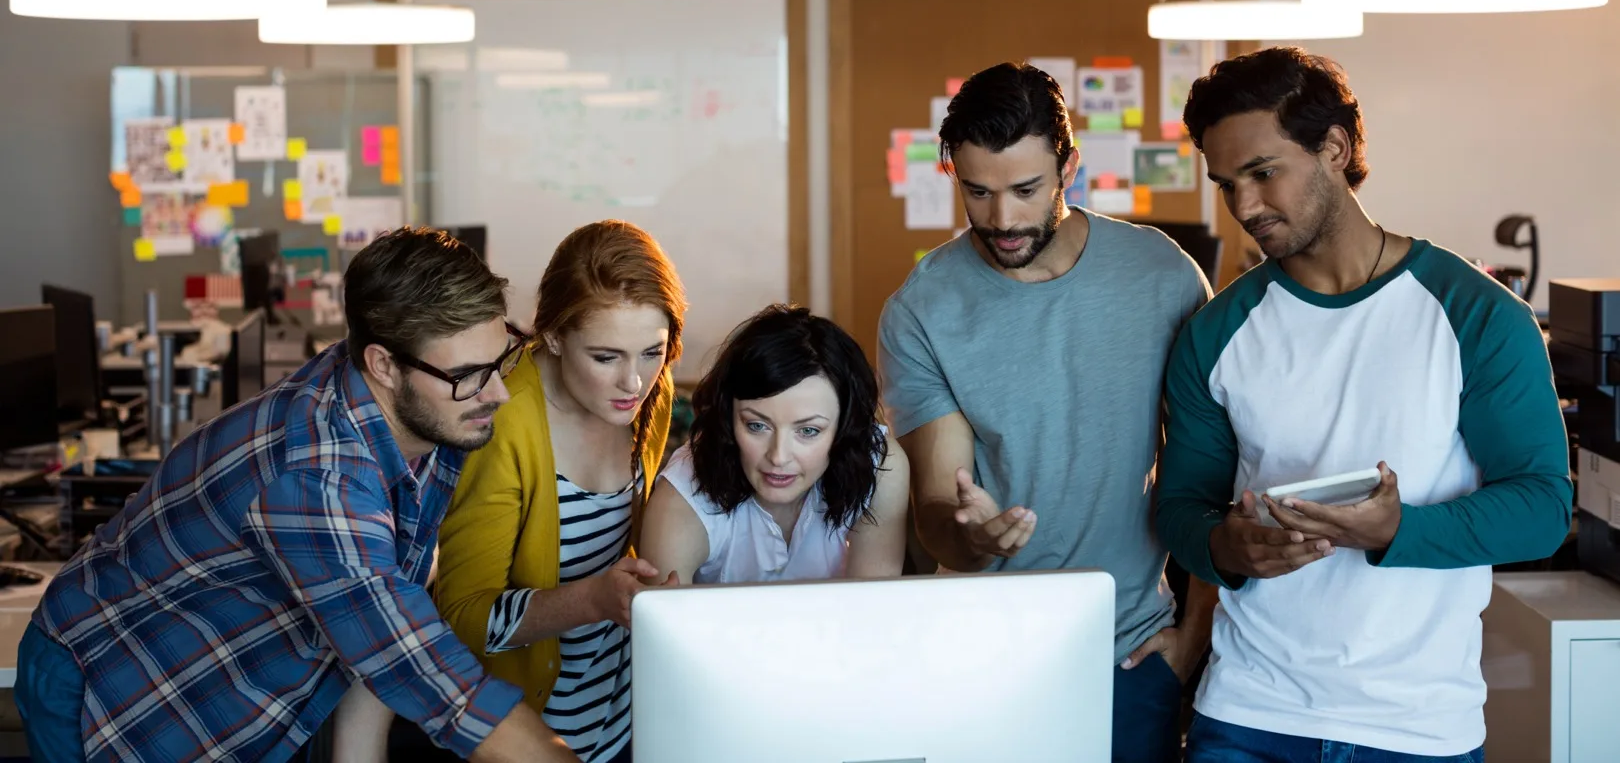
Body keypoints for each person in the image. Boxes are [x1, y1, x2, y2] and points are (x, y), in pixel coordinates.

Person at [16, 227, 578, 763]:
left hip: (242, 669)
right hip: (119, 677)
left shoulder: (419, 403)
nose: (499, 392)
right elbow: (429, 678)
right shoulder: (317, 477)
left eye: (501, 359)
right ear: (383, 365)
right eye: (471, 374)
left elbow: (388, 612)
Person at [1158, 46, 1572, 763]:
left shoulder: (1475, 316)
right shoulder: (1217, 334)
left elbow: (1541, 510)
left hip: (1415, 728)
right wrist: (1227, 544)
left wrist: (1395, 530)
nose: (1245, 207)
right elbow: (1180, 506)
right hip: (1249, 713)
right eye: (1228, 185)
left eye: (1263, 174)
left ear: (1335, 148)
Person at [877, 61, 1217, 763]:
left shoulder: (1164, 277)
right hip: (983, 652)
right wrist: (975, 538)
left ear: (1069, 165)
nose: (1002, 219)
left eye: (1026, 189)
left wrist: (1195, 638)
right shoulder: (922, 309)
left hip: (1129, 652)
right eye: (978, 192)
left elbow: (1217, 470)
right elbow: (941, 515)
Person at [434, 220, 685, 763]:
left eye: (653, 350)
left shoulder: (648, 394)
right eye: (605, 357)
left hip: (625, 716)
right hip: (533, 735)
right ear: (551, 335)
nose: (633, 383)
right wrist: (592, 599)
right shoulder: (500, 425)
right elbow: (463, 618)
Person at [640, 304, 909, 584]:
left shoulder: (879, 466)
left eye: (808, 430)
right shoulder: (682, 496)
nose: (778, 457)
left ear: (844, 429)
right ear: (728, 420)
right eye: (757, 426)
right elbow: (665, 623)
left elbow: (871, 610)